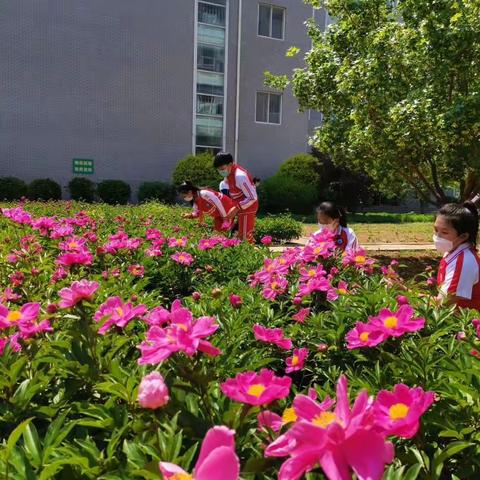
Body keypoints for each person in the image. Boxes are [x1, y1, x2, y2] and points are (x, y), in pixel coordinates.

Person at [435, 200, 480, 310]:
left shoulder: (464, 261)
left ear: (463, 237)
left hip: (465, 325)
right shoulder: (452, 252)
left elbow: (442, 305)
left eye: (444, 232)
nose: (437, 236)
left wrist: (404, 291)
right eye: (436, 230)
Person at [213, 152, 258, 243]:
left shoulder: (240, 176)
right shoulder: (230, 174)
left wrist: (236, 208)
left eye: (222, 169)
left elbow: (253, 197)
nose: (221, 171)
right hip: (239, 207)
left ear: (230, 164)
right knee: (239, 236)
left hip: (248, 208)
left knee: (245, 238)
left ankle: (249, 256)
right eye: (218, 169)